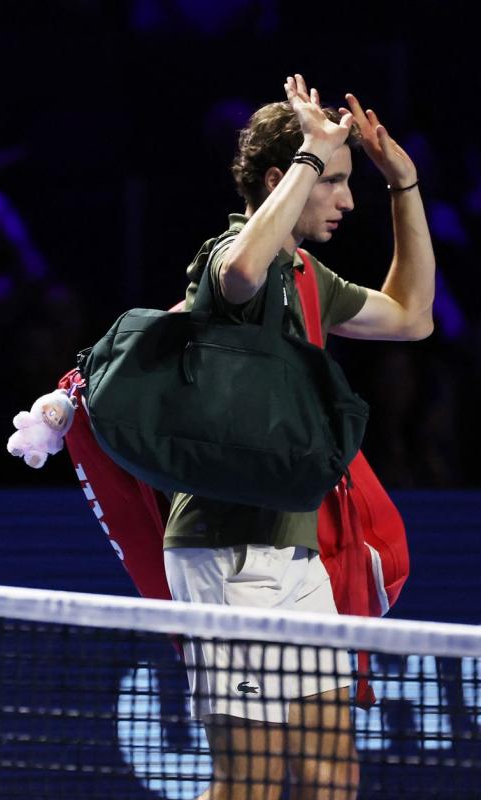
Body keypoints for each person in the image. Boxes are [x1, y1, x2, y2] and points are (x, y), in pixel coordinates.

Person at [164, 75, 435, 800]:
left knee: (329, 778)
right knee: (248, 783)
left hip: (300, 556)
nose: (346, 200)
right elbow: (243, 268)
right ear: (287, 178)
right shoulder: (225, 259)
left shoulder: (308, 274)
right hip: (228, 551)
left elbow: (412, 315)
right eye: (333, 182)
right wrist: (315, 154)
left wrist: (403, 185)